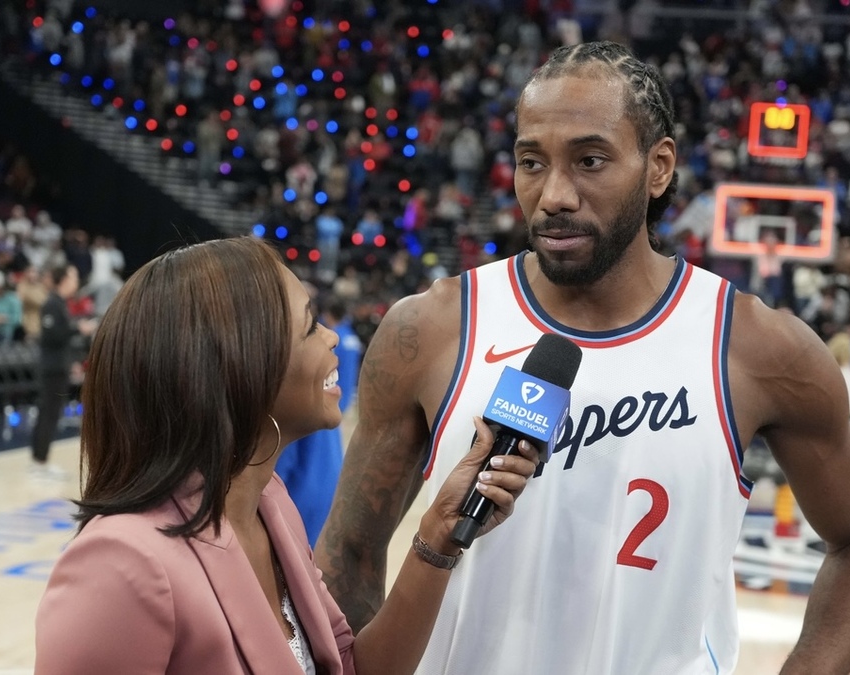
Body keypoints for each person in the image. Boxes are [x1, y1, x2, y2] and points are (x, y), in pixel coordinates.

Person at [316, 41, 850, 675]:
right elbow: (348, 553)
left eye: (590, 160)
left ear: (658, 168)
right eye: (531, 162)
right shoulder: (430, 330)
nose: (554, 195)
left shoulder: (757, 347)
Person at [34, 237, 540, 673]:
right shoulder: (120, 566)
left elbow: (352, 669)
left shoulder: (270, 506)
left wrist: (439, 534)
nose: (332, 340)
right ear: (241, 367)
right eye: (309, 325)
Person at [275, 299, 364, 545]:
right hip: (334, 394)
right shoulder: (350, 339)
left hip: (300, 509)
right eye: (310, 327)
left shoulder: (296, 403)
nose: (329, 336)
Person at [29, 265, 94, 479]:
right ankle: (40, 462)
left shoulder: (60, 304)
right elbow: (52, 336)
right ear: (63, 279)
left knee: (51, 413)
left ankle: (40, 460)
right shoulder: (51, 304)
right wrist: (78, 328)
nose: (76, 282)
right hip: (51, 369)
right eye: (73, 277)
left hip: (59, 366)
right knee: (48, 413)